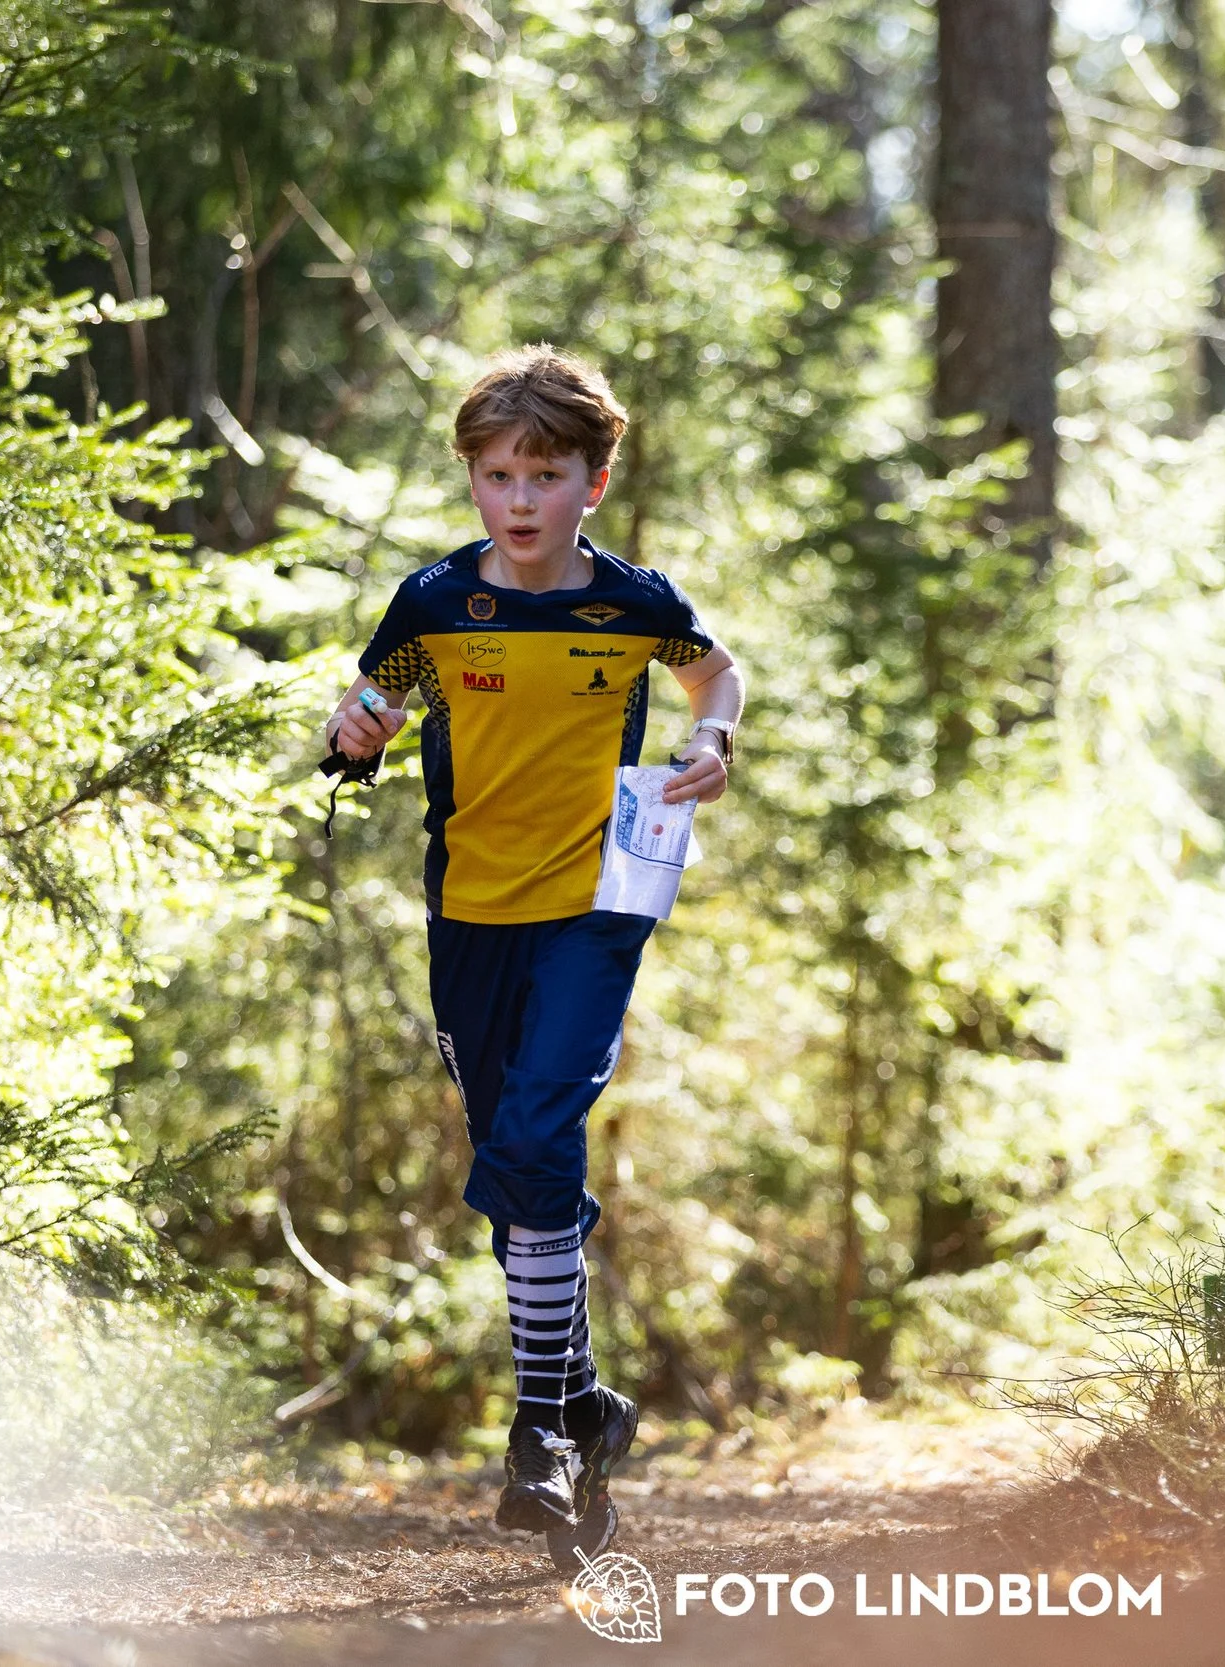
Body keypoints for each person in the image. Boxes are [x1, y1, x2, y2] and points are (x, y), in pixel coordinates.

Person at [322, 346, 743, 1562]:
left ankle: (535, 1438)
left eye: (544, 474)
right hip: (470, 912)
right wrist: (355, 731)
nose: (519, 499)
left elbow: (716, 672)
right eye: (497, 474)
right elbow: (371, 711)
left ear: (592, 483)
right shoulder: (436, 604)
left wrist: (713, 738)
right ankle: (588, 1405)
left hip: (598, 902)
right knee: (520, 1178)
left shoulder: (637, 604)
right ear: (471, 482)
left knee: (532, 1140)